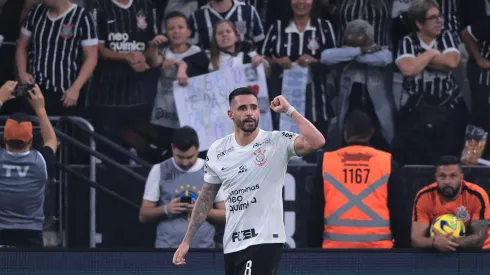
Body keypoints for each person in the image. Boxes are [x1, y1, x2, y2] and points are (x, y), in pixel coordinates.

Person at [172, 87, 325, 274]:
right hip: (232, 245)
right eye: (243, 108)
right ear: (231, 114)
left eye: (253, 107)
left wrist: (289, 110)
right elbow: (206, 197)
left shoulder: (276, 141)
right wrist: (186, 240)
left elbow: (317, 142)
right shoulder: (218, 149)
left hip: (264, 240)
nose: (250, 113)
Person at [313, 110, 403, 248]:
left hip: (335, 250)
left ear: (346, 133)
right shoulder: (387, 161)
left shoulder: (327, 161)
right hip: (379, 250)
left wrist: (312, 252)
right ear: (371, 132)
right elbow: (398, 211)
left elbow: (315, 211)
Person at [139, 126, 226, 248]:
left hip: (203, 251)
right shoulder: (159, 170)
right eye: (180, 157)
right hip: (167, 250)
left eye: (189, 157)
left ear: (197, 148)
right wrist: (166, 209)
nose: (185, 162)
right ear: (172, 148)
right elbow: (143, 215)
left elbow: (226, 215)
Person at [0, 81, 58, 247]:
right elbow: (51, 140)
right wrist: (40, 109)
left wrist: (0, 99)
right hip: (31, 235)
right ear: (32, 139)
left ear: (4, 139)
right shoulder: (41, 162)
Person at [16, 0, 98, 115]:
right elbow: (22, 46)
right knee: (30, 129)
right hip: (34, 89)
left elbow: (91, 57)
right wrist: (22, 73)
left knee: (59, 131)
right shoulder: (36, 12)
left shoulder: (82, 17)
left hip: (64, 92)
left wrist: (76, 87)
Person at [411, 155, 490, 251]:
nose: (447, 181)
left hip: (478, 253)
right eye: (442, 176)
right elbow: (416, 239)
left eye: (453, 176)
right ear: (436, 177)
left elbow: (479, 238)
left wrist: (447, 242)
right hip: (438, 253)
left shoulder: (477, 195)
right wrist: (434, 242)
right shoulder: (424, 196)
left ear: (461, 177)